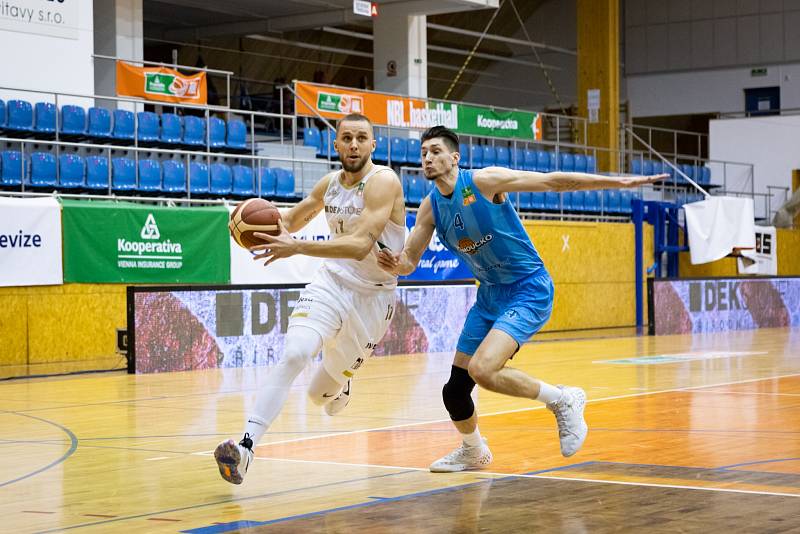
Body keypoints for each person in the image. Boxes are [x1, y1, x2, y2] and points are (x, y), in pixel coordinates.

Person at [378, 126, 667, 472]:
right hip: (489, 297)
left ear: (454, 157)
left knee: (483, 369)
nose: (427, 157)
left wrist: (616, 183)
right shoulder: (430, 209)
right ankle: (474, 450)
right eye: (424, 152)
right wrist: (394, 263)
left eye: (436, 151)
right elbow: (409, 261)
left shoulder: (485, 181)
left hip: (528, 288)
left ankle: (562, 399)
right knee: (455, 392)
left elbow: (551, 182)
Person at [215, 113, 406, 484]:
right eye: (346, 138)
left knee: (320, 397)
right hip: (331, 283)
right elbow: (291, 220)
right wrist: (249, 226)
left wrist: (297, 247)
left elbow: (360, 244)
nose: (353, 144)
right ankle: (246, 448)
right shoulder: (329, 184)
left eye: (361, 138)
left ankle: (341, 384)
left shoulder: (383, 182)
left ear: (373, 145)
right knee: (295, 353)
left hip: (373, 298)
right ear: (334, 144)